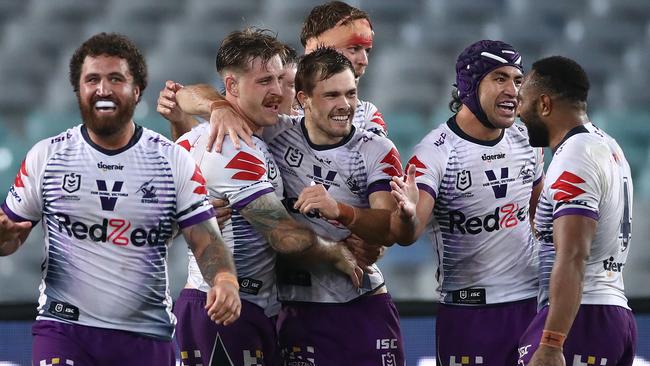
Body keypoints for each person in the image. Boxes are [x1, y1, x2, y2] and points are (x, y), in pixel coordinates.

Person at [0, 33, 240, 366]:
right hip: (65, 328)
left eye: (116, 79)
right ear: (78, 90)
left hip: (145, 336)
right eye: (92, 79)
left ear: (137, 90)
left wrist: (225, 280)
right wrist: (4, 236)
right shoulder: (48, 156)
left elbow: (206, 241)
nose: (103, 89)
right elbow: (10, 238)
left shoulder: (172, 161)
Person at [177, 46, 415, 366]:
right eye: (331, 95)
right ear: (305, 100)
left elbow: (390, 230)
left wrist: (344, 213)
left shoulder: (374, 145)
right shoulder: (271, 131)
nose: (344, 105)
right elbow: (186, 95)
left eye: (350, 93)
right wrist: (219, 106)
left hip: (354, 298)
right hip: (284, 308)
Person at [391, 40, 544, 365]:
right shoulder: (435, 151)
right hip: (469, 314)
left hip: (532, 306)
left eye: (518, 80)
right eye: (499, 78)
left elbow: (537, 214)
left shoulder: (528, 140)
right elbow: (408, 233)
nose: (513, 90)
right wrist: (406, 216)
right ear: (470, 85)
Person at [515, 56, 637, 366]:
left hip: (581, 321)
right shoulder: (607, 145)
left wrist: (553, 342)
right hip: (608, 314)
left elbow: (572, 255)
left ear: (544, 104)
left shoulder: (575, 157)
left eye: (523, 101)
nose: (518, 111)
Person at [156, 1, 387, 151]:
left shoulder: (367, 117)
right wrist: (217, 107)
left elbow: (380, 202)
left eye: (367, 51)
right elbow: (191, 102)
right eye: (353, 48)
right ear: (315, 46)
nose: (363, 60)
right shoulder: (280, 86)